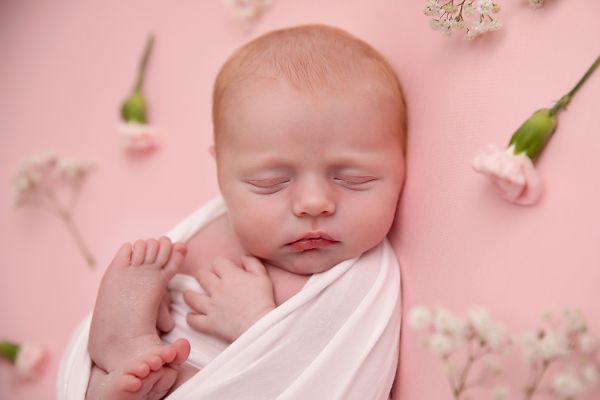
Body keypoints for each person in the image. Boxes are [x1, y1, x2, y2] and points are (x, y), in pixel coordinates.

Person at [82, 23, 407, 399]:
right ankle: (121, 342)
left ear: (402, 164)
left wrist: (256, 325)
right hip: (141, 365)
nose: (314, 203)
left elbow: (335, 381)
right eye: (270, 182)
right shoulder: (207, 229)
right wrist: (147, 301)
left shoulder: (361, 283)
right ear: (221, 173)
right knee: (131, 294)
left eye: (354, 179)